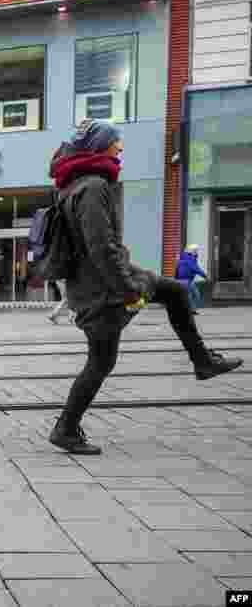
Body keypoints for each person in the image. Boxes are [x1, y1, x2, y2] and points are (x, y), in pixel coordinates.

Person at [47, 120, 243, 456]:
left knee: (174, 292)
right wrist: (128, 289)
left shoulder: (76, 185)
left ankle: (202, 361)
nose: (120, 147)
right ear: (99, 147)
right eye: (115, 142)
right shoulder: (92, 187)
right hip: (103, 289)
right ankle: (65, 428)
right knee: (101, 361)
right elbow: (102, 248)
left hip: (100, 282)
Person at [176, 245, 208, 314]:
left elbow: (176, 269)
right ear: (192, 251)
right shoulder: (189, 259)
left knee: (193, 295)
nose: (197, 252)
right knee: (193, 295)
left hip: (185, 280)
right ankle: (189, 310)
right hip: (186, 280)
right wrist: (205, 276)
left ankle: (190, 310)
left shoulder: (184, 258)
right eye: (195, 251)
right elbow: (196, 269)